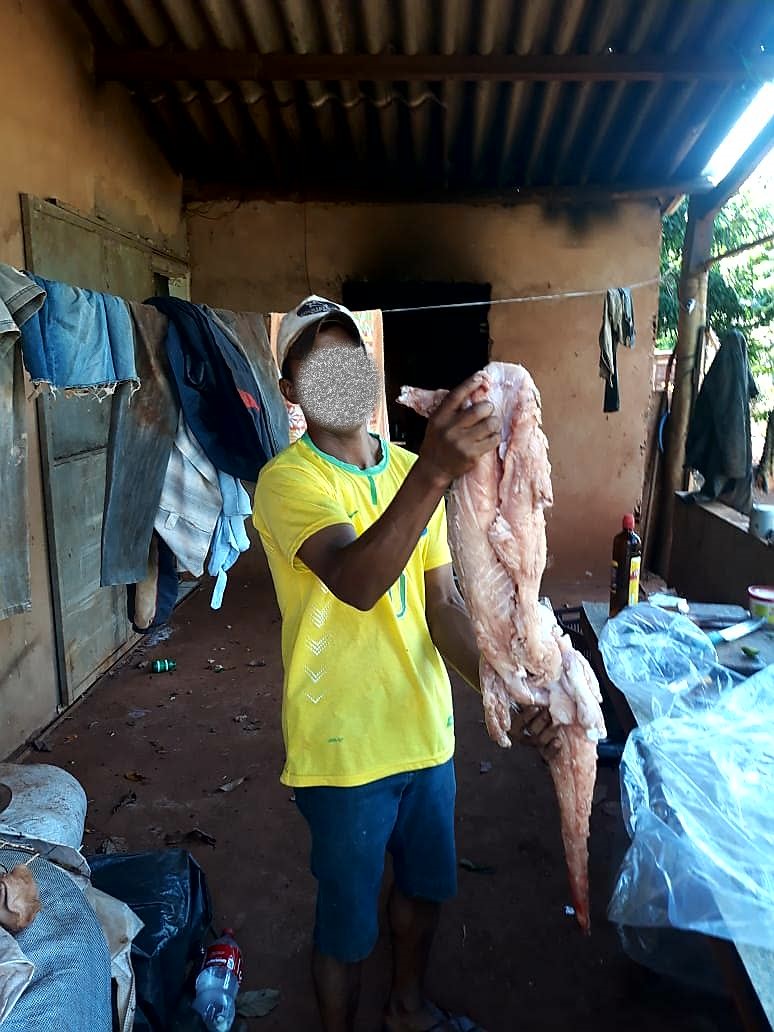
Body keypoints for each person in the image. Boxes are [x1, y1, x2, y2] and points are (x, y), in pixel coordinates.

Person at [253, 296, 560, 1032]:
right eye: (316, 361)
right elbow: (357, 580)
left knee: (422, 894)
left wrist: (503, 688)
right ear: (291, 388)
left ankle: (406, 1009)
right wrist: (436, 475)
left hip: (425, 734)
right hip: (342, 748)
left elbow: (441, 604)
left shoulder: (408, 471)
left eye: (349, 357)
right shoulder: (288, 481)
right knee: (347, 928)